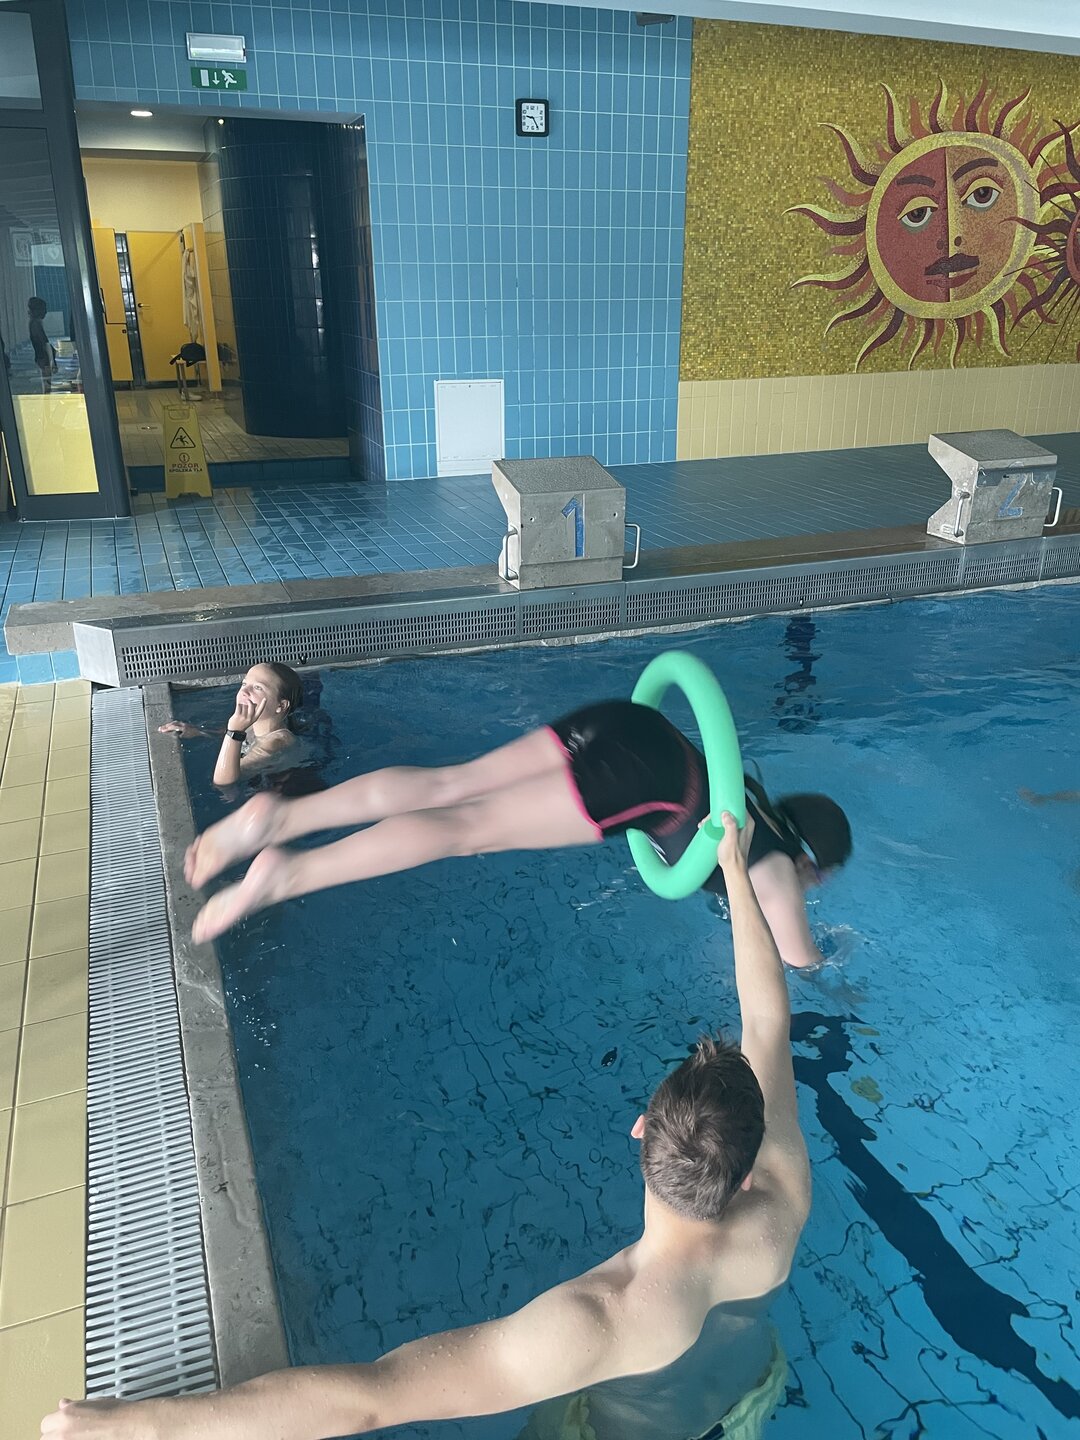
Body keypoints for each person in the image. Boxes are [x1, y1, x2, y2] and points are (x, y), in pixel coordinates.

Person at [41, 813, 811, 1440]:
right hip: (747, 1399)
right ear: (747, 1170)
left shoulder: (598, 1323)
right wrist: (739, 873)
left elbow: (372, 1399)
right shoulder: (781, 1201)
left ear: (640, 1131)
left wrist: (139, 1425)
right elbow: (768, 1019)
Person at [183, 694, 852, 962]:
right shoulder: (775, 870)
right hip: (642, 781)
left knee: (453, 783)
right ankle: (290, 872)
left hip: (635, 725)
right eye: (819, 878)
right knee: (464, 828)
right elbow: (799, 965)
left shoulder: (756, 802)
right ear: (812, 867)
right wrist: (835, 976)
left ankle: (283, 816)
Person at [159, 663, 303, 788]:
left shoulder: (277, 742)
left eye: (258, 687)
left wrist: (235, 731)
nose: (244, 691)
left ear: (281, 705)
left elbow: (223, 782)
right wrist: (197, 732)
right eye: (244, 684)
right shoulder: (253, 723)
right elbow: (224, 734)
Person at [27, 297, 56, 394]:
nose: (46, 312)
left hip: (41, 357)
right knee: (47, 382)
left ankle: (46, 397)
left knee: (46, 382)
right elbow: (45, 343)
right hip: (43, 357)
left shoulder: (33, 323)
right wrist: (52, 361)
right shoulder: (36, 324)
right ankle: (46, 398)